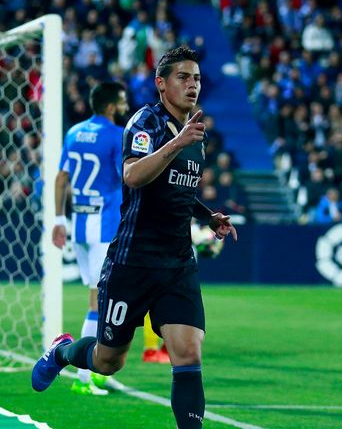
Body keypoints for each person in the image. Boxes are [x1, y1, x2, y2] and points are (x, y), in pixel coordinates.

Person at [32, 46, 238, 429]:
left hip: (177, 262)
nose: (192, 85)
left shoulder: (195, 132)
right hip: (132, 260)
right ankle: (62, 353)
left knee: (188, 354)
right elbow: (133, 176)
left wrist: (208, 216)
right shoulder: (145, 123)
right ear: (161, 84)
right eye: (183, 77)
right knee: (109, 361)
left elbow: (177, 189)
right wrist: (176, 143)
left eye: (196, 78)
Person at [51, 82, 129, 395]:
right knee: (99, 301)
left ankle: (98, 372)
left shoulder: (74, 133)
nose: (124, 106)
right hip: (104, 226)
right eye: (122, 102)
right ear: (110, 106)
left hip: (79, 224)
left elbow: (61, 178)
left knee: (99, 298)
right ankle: (84, 379)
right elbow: (126, 178)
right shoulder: (116, 135)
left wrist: (58, 220)